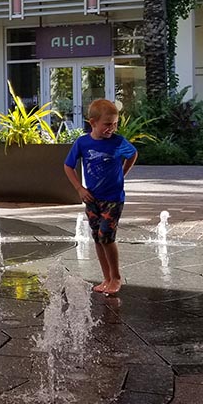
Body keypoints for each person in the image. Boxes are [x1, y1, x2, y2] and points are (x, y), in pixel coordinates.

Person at [63, 99, 138, 296]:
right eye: (107, 124)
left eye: (115, 124)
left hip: (113, 198)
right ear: (93, 122)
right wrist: (79, 188)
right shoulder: (83, 142)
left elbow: (133, 154)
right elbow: (68, 166)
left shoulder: (118, 142)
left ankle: (116, 277)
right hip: (92, 198)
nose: (111, 128)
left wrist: (123, 172)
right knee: (97, 237)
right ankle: (106, 278)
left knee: (107, 236)